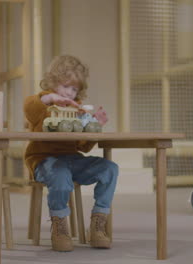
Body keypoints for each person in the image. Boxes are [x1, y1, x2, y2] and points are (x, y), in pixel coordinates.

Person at [23, 55, 119, 252]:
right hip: (44, 160)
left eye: (74, 89)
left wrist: (94, 127)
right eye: (65, 86)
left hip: (72, 160)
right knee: (60, 174)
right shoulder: (43, 103)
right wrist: (49, 98)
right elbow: (28, 107)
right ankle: (60, 227)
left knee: (109, 169)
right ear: (53, 83)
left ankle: (97, 225)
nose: (69, 93)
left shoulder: (78, 109)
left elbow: (82, 147)